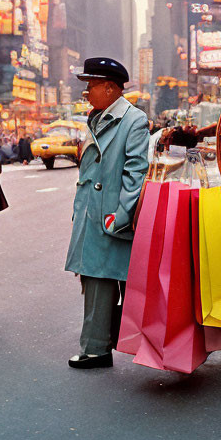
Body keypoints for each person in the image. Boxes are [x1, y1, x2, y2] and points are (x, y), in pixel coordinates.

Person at [65, 57, 149, 368]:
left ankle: (137, 345)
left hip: (113, 218)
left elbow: (136, 173)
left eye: (91, 86)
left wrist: (120, 216)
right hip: (93, 213)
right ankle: (96, 349)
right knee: (95, 281)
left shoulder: (134, 120)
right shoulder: (97, 118)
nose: (86, 92)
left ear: (110, 88)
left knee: (127, 285)